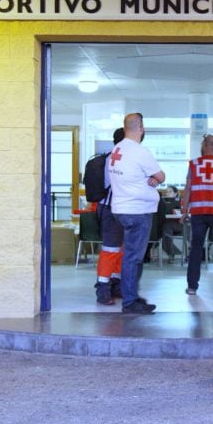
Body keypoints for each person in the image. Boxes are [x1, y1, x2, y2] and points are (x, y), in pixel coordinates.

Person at [108, 113, 165, 314]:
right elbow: (161, 175)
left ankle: (131, 295)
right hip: (138, 211)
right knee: (133, 258)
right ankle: (130, 302)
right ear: (140, 127)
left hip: (120, 209)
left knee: (132, 256)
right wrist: (155, 180)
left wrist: (151, 179)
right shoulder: (140, 152)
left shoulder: (117, 149)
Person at [180, 134, 213, 297]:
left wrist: (184, 211)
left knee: (196, 249)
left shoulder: (194, 164)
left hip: (198, 212)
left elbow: (188, 189)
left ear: (204, 145)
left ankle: (192, 286)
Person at [94, 128, 125, 305]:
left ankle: (114, 283)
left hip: (109, 207)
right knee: (111, 249)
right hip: (113, 209)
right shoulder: (118, 159)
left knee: (118, 249)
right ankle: (104, 288)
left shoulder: (108, 157)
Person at [160, 185, 183, 261]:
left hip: (180, 225)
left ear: (176, 193)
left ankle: (171, 254)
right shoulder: (162, 202)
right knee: (165, 230)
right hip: (167, 225)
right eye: (166, 192)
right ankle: (171, 253)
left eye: (170, 192)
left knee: (166, 228)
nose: (167, 193)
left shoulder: (180, 201)